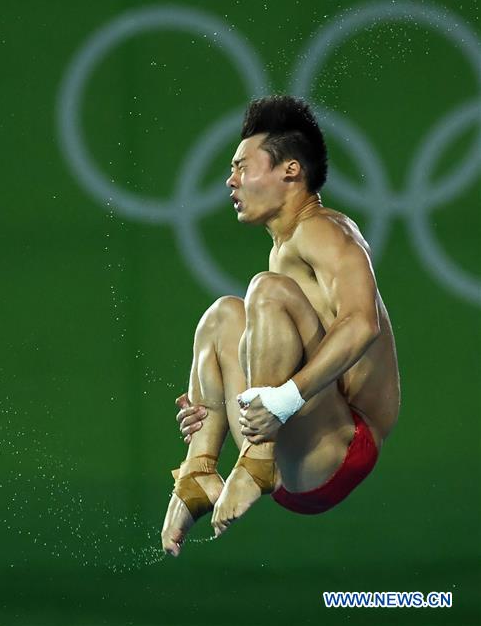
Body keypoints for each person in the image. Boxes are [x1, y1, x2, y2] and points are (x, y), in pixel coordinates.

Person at [161, 95, 400, 557]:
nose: (230, 180)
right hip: (298, 448)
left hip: (344, 444)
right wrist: (209, 410)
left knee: (266, 291)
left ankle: (255, 462)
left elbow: (361, 323)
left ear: (290, 170)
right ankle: (198, 473)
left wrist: (282, 403)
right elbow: (267, 361)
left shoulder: (326, 230)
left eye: (242, 166)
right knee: (224, 315)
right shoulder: (288, 245)